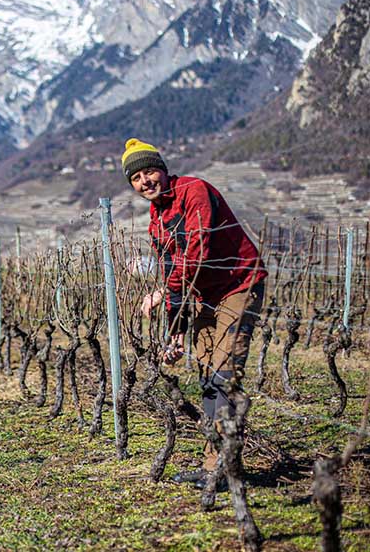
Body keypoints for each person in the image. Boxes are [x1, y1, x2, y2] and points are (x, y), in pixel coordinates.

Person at [121, 137, 267, 490]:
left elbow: (196, 254)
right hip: (203, 294)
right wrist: (176, 330)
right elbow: (175, 272)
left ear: (164, 171)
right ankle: (213, 467)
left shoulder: (194, 191)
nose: (145, 182)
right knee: (207, 378)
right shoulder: (156, 219)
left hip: (238, 285)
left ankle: (225, 469)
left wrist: (163, 293)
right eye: (136, 178)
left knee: (223, 375)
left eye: (150, 171)